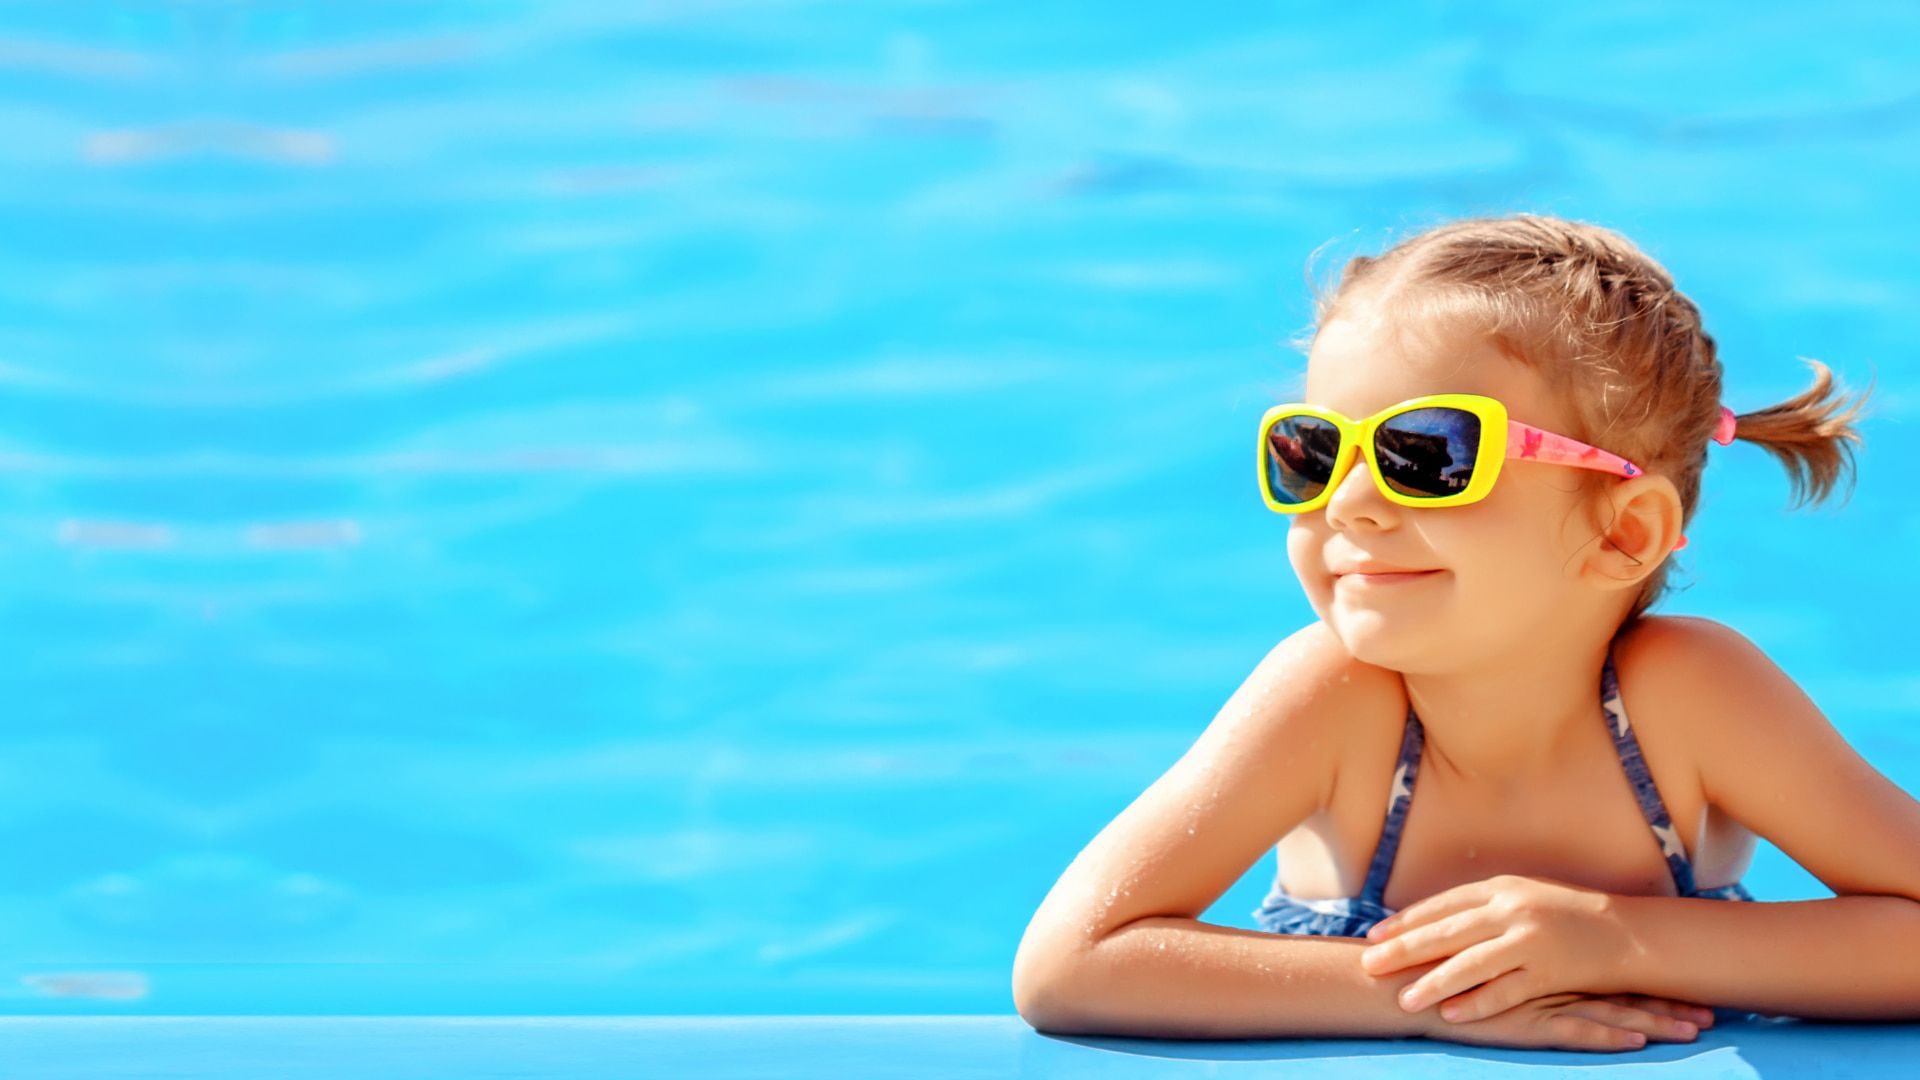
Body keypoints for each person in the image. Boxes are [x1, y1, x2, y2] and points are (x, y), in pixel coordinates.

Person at [1012, 213, 1917, 1051]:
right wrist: (1444, 1000)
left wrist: (1615, 942)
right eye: (1315, 453)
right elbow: (1070, 964)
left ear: (1623, 531)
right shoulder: (1332, 697)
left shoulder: (1690, 696)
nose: (1351, 505)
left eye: (1427, 454)